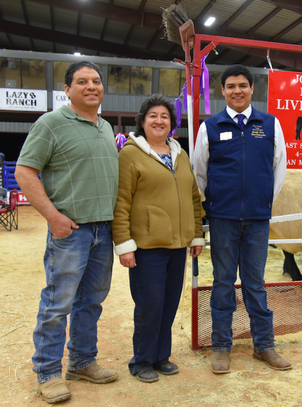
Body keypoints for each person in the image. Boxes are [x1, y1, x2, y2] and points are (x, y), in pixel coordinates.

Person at [15, 61, 119, 404]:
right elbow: (25, 171)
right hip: (70, 231)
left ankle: (82, 360)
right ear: (67, 90)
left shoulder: (104, 127)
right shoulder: (51, 124)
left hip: (103, 230)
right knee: (57, 302)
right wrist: (52, 216)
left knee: (91, 300)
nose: (91, 86)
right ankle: (47, 371)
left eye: (96, 81)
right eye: (82, 81)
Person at [192, 64, 290, 374]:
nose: (237, 90)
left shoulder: (270, 124)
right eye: (231, 85)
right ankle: (222, 347)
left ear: (251, 89)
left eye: (243, 85)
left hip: (258, 220)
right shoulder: (210, 127)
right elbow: (199, 172)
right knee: (223, 283)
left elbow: (279, 169)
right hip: (223, 219)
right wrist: (215, 204)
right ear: (222, 90)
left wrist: (262, 202)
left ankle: (264, 345)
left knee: (255, 284)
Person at [112, 94, 204, 383]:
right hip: (147, 247)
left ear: (172, 124)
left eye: (164, 116)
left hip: (178, 247)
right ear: (142, 121)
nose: (159, 120)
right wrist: (124, 245)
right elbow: (121, 201)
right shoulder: (130, 153)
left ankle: (161, 356)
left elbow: (193, 197)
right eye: (152, 115)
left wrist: (197, 235)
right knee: (150, 304)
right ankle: (141, 361)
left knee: (169, 303)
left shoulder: (180, 153)